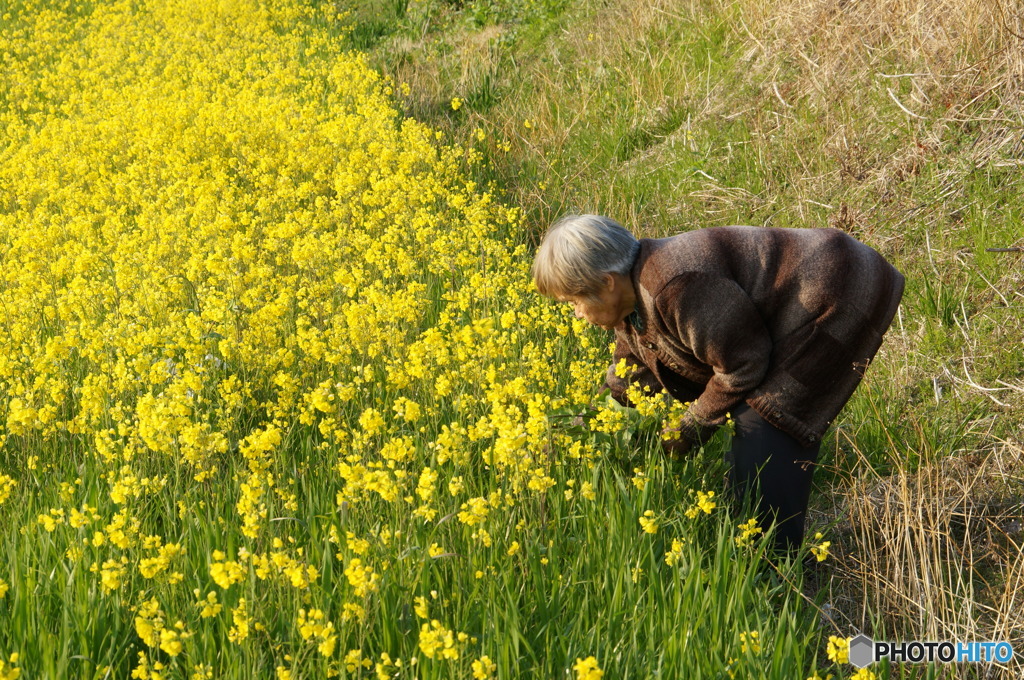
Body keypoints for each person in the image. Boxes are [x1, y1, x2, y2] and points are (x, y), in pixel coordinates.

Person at [532, 214, 905, 553]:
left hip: (836, 290)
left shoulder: (674, 285)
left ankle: (775, 570)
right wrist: (577, 434)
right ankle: (757, 552)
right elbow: (628, 377)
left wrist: (688, 430)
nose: (577, 314)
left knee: (764, 423)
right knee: (748, 431)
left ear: (607, 282)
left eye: (575, 302)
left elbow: (743, 365)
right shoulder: (632, 303)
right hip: (810, 292)